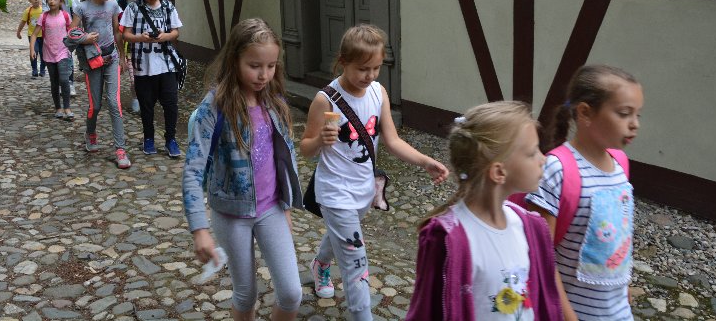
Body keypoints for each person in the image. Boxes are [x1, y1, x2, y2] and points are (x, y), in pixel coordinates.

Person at [300, 24, 449, 321]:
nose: (370, 75)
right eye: (362, 68)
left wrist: (424, 161)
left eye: (376, 68)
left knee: (343, 233)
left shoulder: (378, 92)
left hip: (364, 189)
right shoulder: (325, 100)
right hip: (335, 192)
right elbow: (305, 148)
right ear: (343, 61)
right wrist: (319, 141)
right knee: (356, 261)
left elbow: (392, 140)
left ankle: (321, 264)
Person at [182, 18, 302, 321]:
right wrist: (199, 229)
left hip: (271, 209)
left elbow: (284, 158)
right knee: (246, 294)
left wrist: (287, 205)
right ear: (234, 59)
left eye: (271, 66)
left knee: (291, 293)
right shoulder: (215, 106)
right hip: (231, 214)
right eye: (254, 66)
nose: (264, 75)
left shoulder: (274, 101)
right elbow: (192, 171)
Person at [405, 102, 562, 320]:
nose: (543, 159)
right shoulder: (448, 239)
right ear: (499, 172)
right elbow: (427, 311)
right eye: (532, 153)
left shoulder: (530, 227)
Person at [526, 65, 643, 321]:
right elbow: (542, 256)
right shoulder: (556, 170)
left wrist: (622, 289)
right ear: (585, 112)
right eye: (624, 114)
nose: (635, 124)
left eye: (638, 114)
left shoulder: (620, 163)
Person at [70, 0, 130, 169]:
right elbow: (70, 33)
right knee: (95, 106)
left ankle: (120, 149)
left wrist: (122, 57)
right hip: (93, 61)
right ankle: (90, 133)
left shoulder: (112, 5)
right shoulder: (82, 8)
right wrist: (84, 38)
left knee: (114, 103)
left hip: (111, 58)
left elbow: (117, 32)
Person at [120, 0, 183, 156]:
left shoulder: (168, 6)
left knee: (171, 104)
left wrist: (165, 36)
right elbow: (126, 34)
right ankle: (148, 138)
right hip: (143, 65)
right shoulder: (133, 8)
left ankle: (171, 139)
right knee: (146, 105)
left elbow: (176, 32)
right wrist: (140, 38)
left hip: (166, 64)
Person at [32, 0, 74, 120]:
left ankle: (67, 107)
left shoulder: (65, 16)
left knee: (64, 80)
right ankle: (58, 108)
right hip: (49, 53)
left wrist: (73, 46)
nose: (52, 1)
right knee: (54, 82)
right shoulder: (43, 17)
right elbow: (34, 34)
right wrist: (32, 49)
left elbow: (71, 32)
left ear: (60, 1)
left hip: (63, 52)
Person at [48, 0, 76, 96]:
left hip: (66, 35)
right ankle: (60, 83)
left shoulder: (68, 0)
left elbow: (74, 15)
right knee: (56, 61)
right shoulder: (48, 1)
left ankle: (70, 82)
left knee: (68, 60)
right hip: (54, 37)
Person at [16, 0, 45, 78]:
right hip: (32, 35)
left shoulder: (43, 10)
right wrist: (18, 32)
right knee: (34, 51)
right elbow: (23, 22)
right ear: (29, 0)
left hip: (43, 35)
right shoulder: (28, 11)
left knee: (43, 53)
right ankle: (34, 69)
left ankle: (42, 69)